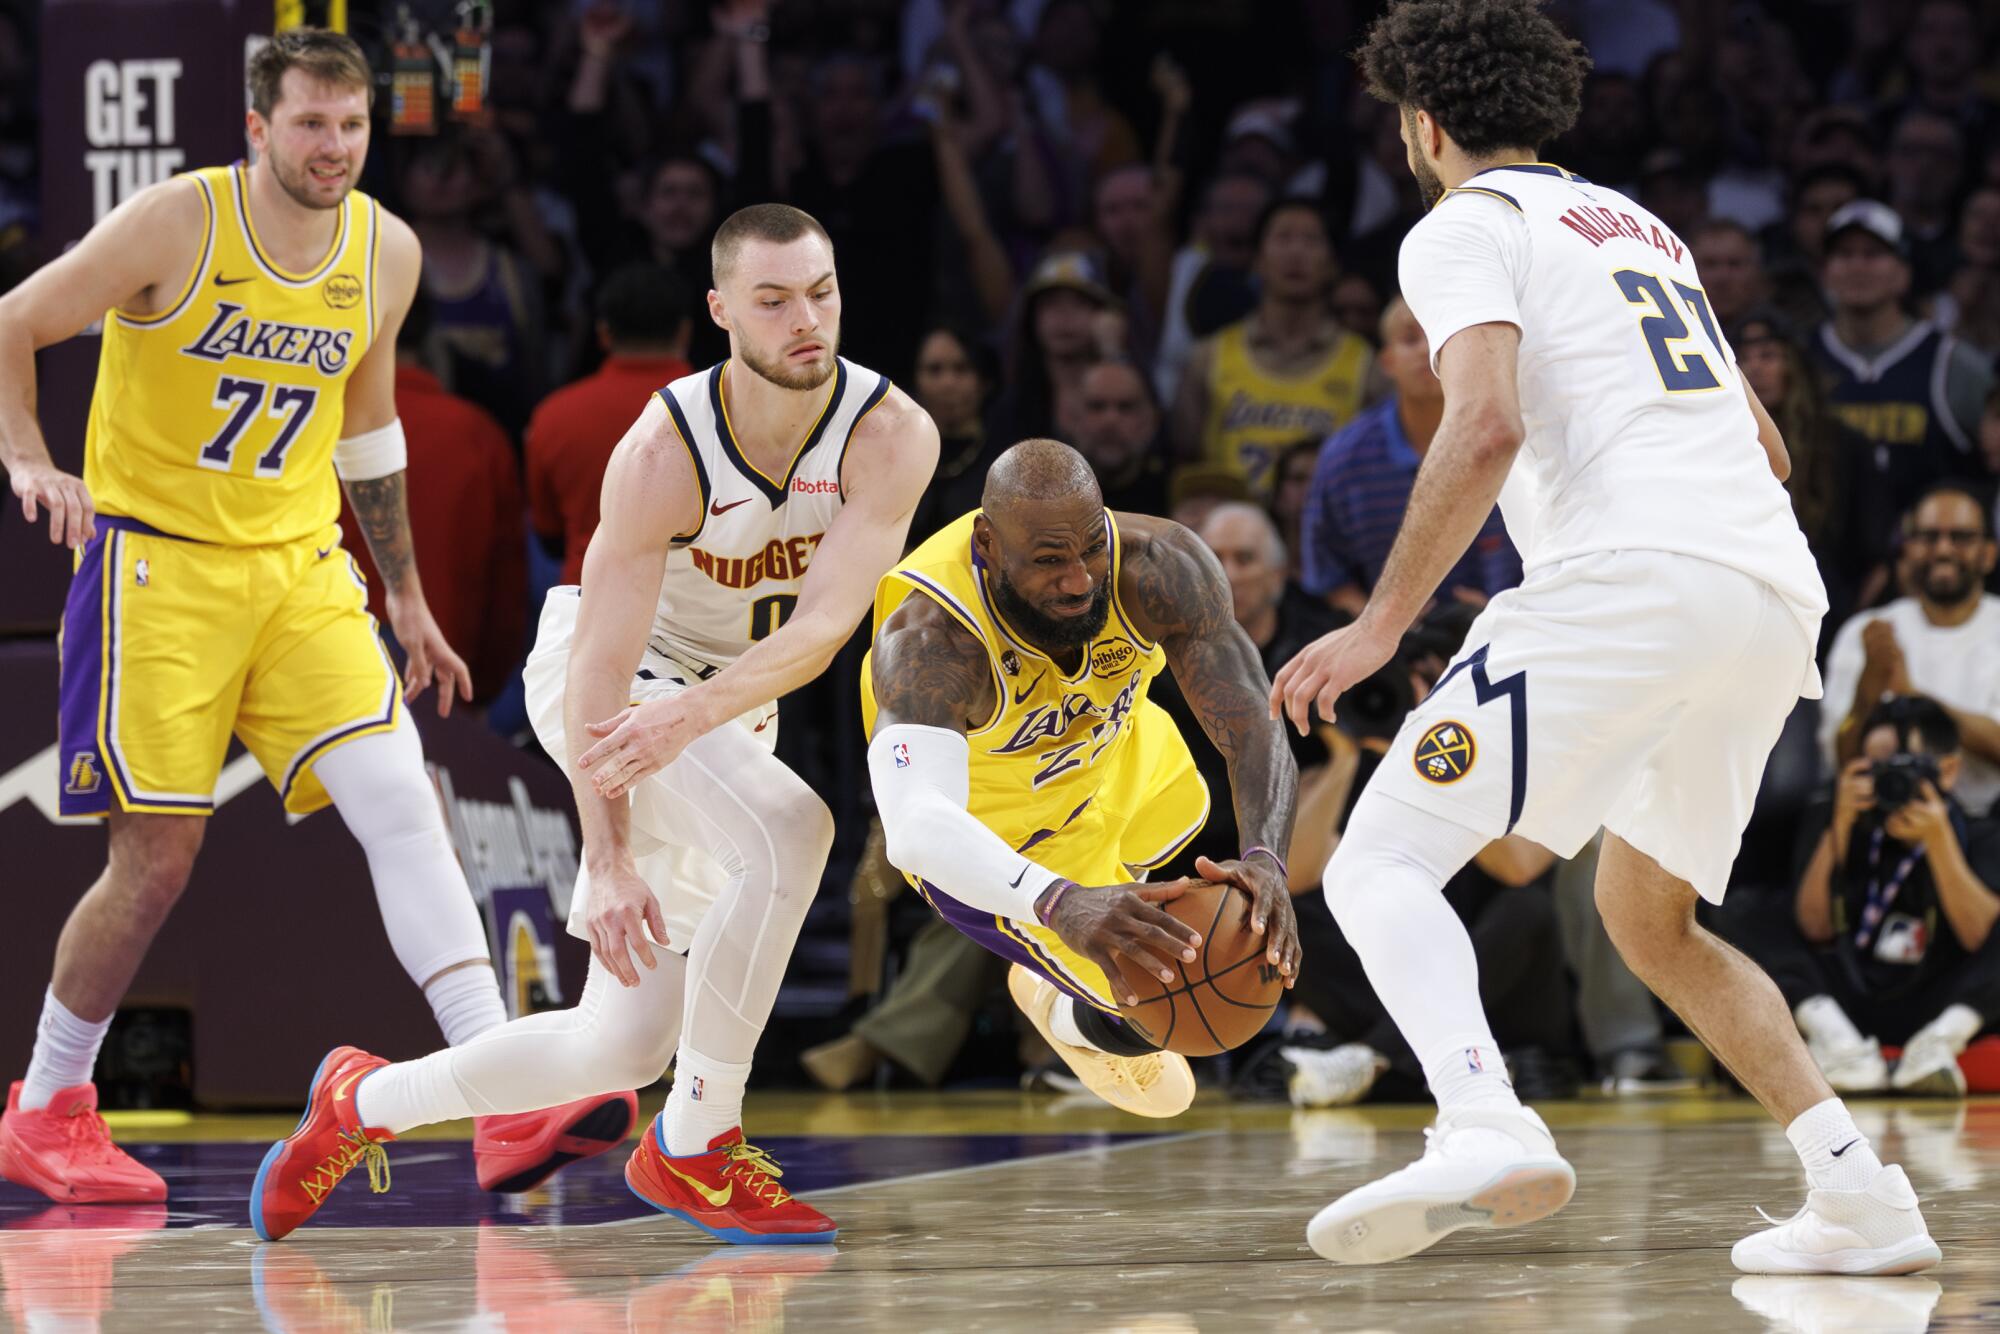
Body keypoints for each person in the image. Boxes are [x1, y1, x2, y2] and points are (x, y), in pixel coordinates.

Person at [1273, 0, 1937, 1274]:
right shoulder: (1643, 226)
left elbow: (1478, 428)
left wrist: (1373, 628)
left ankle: (1478, 1112)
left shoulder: (1462, 226)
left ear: (1422, 124)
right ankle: (1860, 1199)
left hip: (1630, 578)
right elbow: (1771, 448)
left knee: (1377, 861)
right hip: (1766, 595)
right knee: (1650, 920)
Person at [0, 28, 629, 1207]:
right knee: (154, 865)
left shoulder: (384, 249)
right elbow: (14, 319)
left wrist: (405, 593)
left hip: (297, 568)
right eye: (309, 125)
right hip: (161, 562)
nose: (334, 147)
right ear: (257, 125)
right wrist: (32, 459)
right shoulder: (178, 222)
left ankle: (498, 1088)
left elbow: (367, 428)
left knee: (401, 797)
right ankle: (45, 1104)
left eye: (350, 127)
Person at [249, 204, 939, 1245]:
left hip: (722, 702)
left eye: (821, 291)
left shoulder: (891, 433)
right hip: (604, 681)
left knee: (620, 1048)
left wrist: (697, 717)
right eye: (772, 299)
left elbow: (824, 629)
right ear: (718, 312)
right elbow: (601, 679)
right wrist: (606, 855)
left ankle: (357, 1103)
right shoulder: (664, 445)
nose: (806, 318)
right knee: (793, 829)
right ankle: (699, 1142)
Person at [861, 440, 1301, 1119]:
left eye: (1091, 547)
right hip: (1005, 840)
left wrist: (1268, 861)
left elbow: (1252, 722)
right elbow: (916, 826)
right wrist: (1059, 903)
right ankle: (1056, 1005)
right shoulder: (930, 640)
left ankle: (1073, 970)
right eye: (1048, 561)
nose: (1078, 579)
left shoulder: (1160, 563)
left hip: (1125, 768)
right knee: (1166, 1074)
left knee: (1219, 926)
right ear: (987, 544)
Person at [1727, 696, 2000, 1095]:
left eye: (1900, 767)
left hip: (1942, 1002)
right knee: (1743, 910)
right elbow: (1814, 928)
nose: (1885, 780)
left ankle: (1941, 1043)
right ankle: (1836, 1041)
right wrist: (1838, 828)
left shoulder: (1977, 834)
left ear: (1948, 771)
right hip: (1850, 1001)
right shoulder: (1835, 819)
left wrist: (1939, 842)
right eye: (1873, 767)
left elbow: (1981, 938)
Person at [343, 287, 526, 704]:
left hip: (323, 659)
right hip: (439, 675)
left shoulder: (321, 421)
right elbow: (506, 589)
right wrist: (480, 691)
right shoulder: (477, 434)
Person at [1300, 297, 1519, 617]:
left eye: (1439, 334)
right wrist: (1385, 629)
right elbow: (1330, 576)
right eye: (1410, 338)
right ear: (1387, 361)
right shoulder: (1345, 457)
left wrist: (1497, 617)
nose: (1425, 349)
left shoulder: (1512, 432)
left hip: (1513, 636)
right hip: (1389, 652)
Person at [1173, 199, 1374, 499]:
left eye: (1311, 240)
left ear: (1333, 264)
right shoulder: (1209, 357)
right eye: (1283, 238)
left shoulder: (1366, 365)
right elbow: (1184, 459)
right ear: (1257, 260)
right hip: (1228, 535)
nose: (1296, 253)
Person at [1819, 487, 2000, 816]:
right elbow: (1841, 762)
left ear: (1988, 553)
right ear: (1907, 549)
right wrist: (1866, 696)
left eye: (1960, 537)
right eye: (1928, 537)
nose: (1943, 549)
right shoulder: (1868, 631)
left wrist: (1913, 696)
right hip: (1879, 815)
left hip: (1984, 825)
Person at [1814, 200, 1992, 529]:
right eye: (1844, 254)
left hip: (1936, 558)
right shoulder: (1800, 357)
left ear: (1904, 272)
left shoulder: (1953, 364)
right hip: (1824, 563)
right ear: (1825, 272)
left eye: (1873, 254)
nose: (1858, 266)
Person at [527, 264, 693, 588]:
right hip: (696, 609)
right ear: (685, 332)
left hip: (585, 598)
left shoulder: (554, 416)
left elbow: (548, 535)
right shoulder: (728, 408)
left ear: (603, 333)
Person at [1072, 360, 1170, 516]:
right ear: (1075, 419)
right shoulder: (1047, 498)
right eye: (1097, 406)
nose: (1110, 420)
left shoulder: (1173, 498)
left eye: (1126, 407)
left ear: (1150, 421)